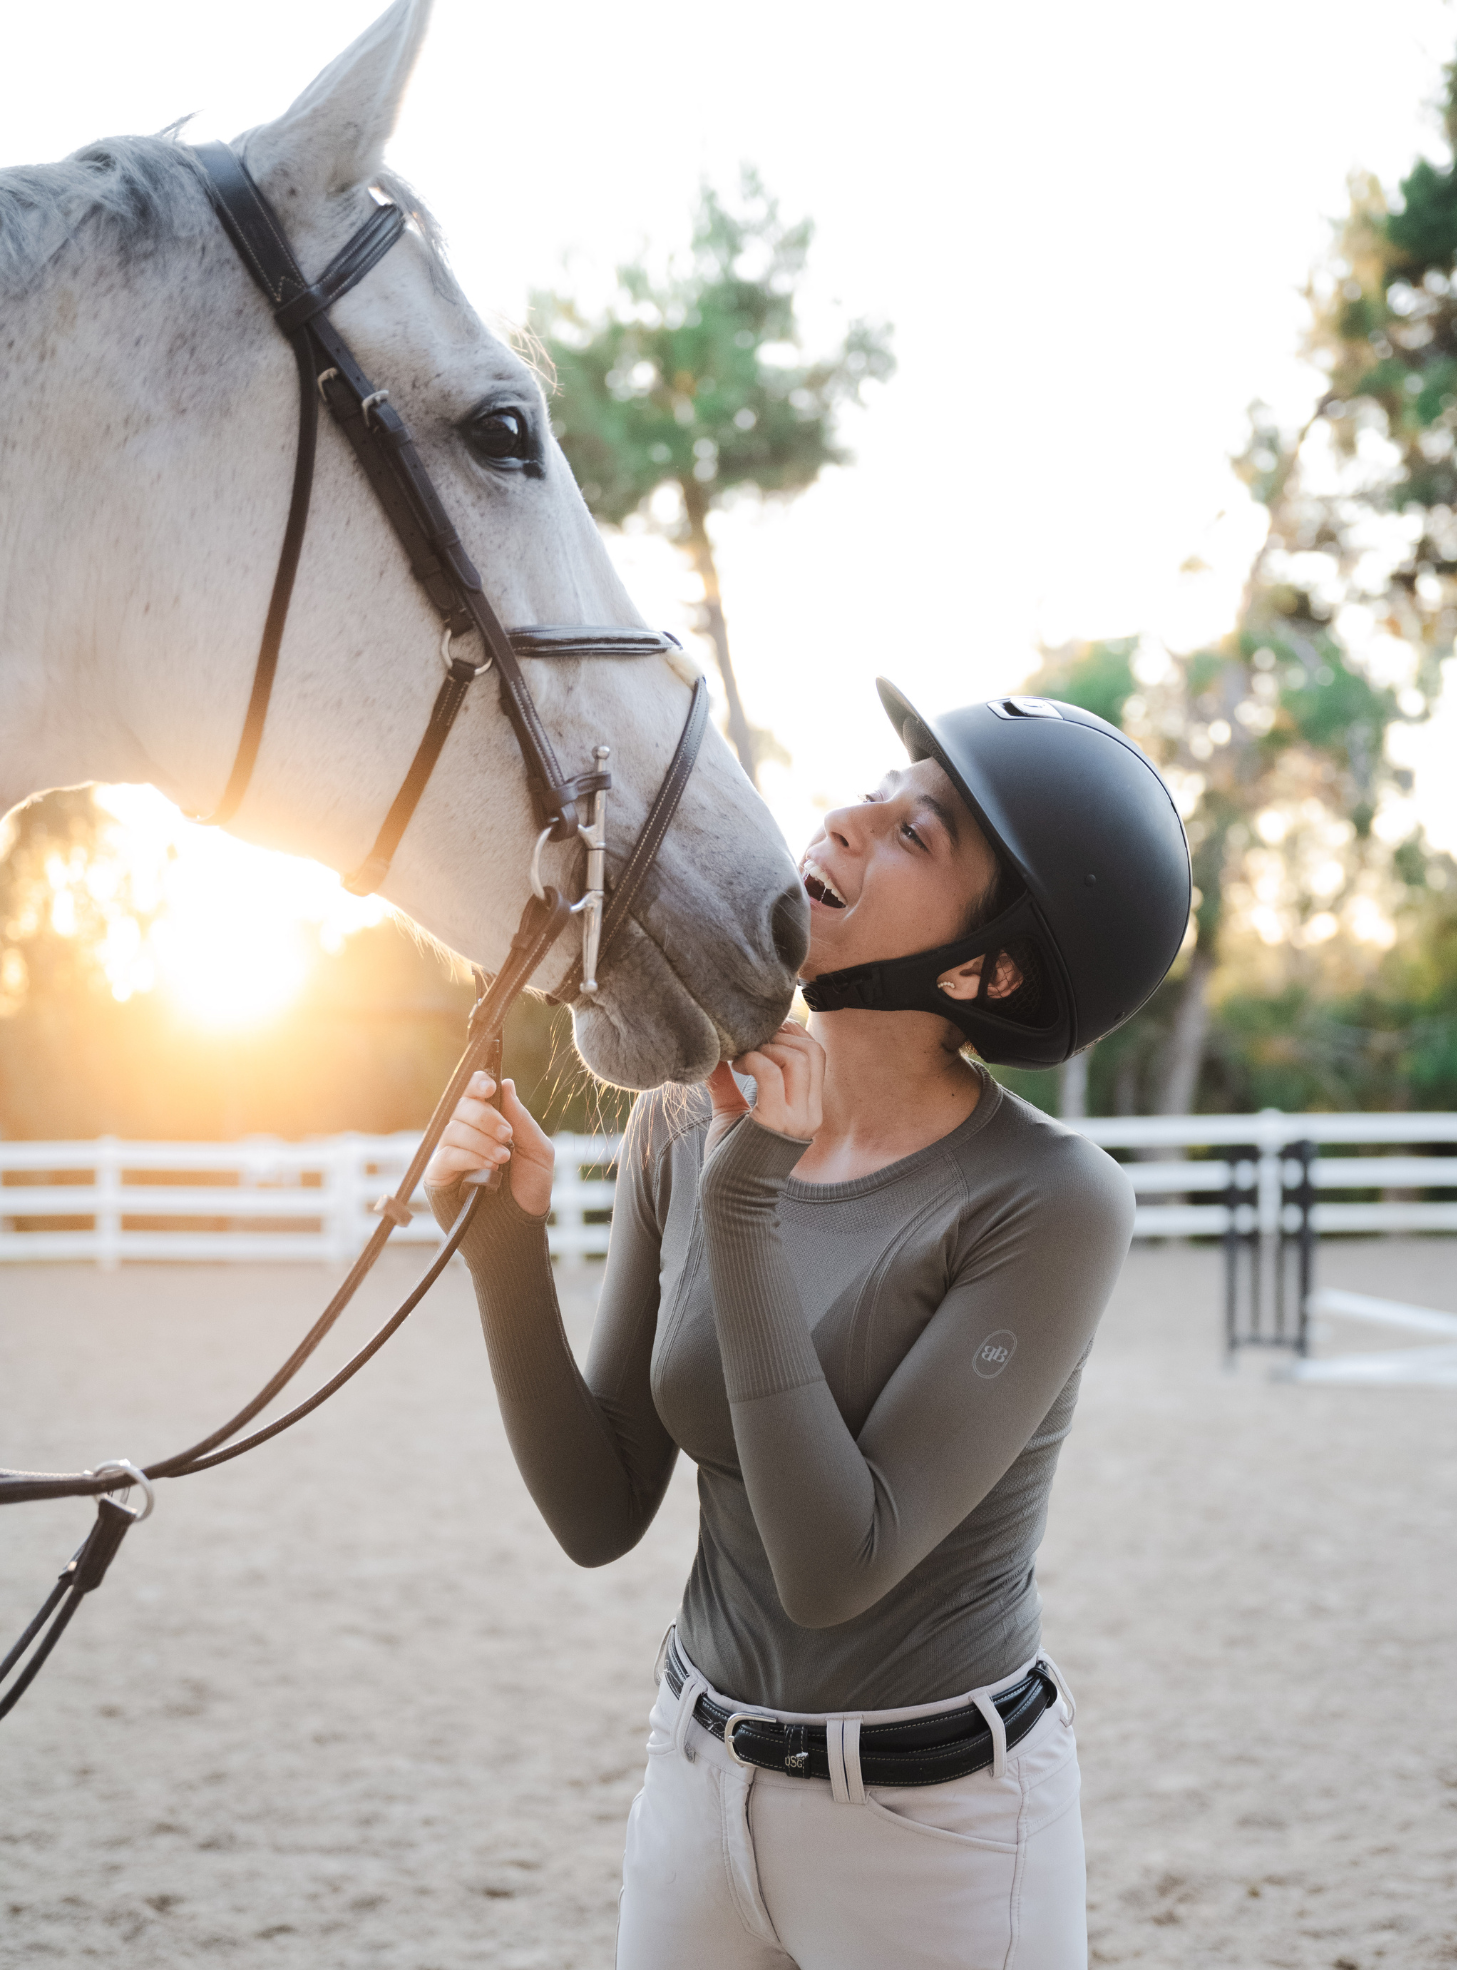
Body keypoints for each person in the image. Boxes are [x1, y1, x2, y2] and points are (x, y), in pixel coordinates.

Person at [427, 679, 1191, 1969]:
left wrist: (745, 1207)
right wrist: (503, 1242)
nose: (848, 818)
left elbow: (840, 1568)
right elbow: (601, 1508)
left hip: (937, 1833)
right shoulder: (682, 1113)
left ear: (985, 968)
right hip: (696, 1781)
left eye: (918, 833)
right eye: (877, 793)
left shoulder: (1050, 1202)